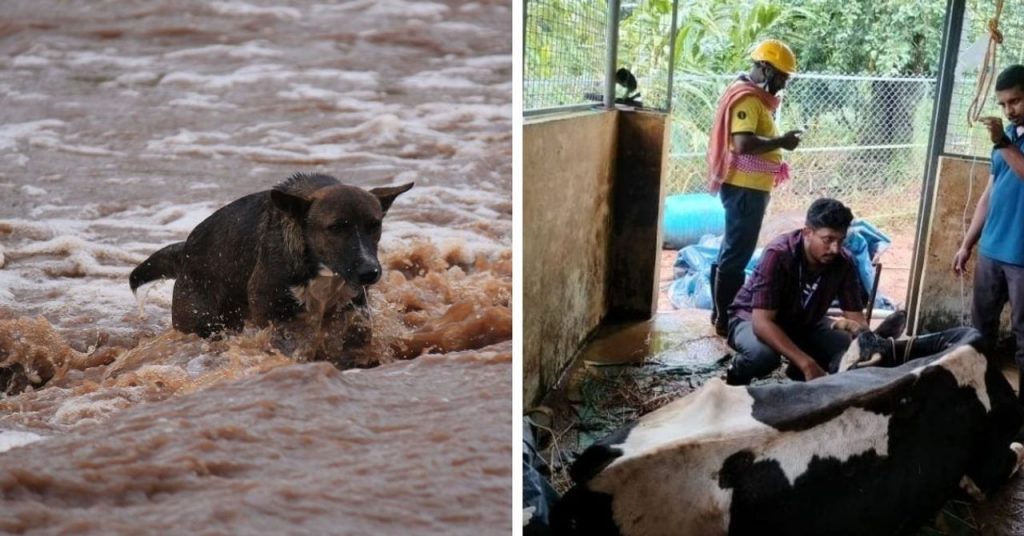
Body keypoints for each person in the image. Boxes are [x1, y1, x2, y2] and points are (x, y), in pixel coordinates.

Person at [706, 39, 804, 337]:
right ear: (765, 68)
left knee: (731, 251)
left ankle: (719, 314)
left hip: (749, 189)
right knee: (737, 255)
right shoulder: (748, 99)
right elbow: (743, 143)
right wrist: (782, 141)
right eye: (782, 76)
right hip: (744, 190)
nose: (783, 83)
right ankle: (727, 320)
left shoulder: (757, 98)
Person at [724, 198, 867, 385]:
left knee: (847, 346)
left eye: (841, 240)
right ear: (808, 232)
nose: (835, 249)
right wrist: (807, 363)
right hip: (752, 318)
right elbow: (762, 323)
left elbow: (856, 317)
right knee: (763, 356)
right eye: (828, 240)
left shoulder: (844, 262)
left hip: (803, 320)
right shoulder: (778, 253)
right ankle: (736, 374)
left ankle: (797, 373)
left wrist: (869, 344)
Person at [953, 64, 1024, 403]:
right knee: (979, 332)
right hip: (992, 251)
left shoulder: (1005, 140)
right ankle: (980, 403)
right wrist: (968, 243)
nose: (1009, 110)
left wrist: (1002, 142)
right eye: (1003, 104)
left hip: (1021, 256)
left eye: (1016, 101)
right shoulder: (1008, 137)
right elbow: (989, 193)